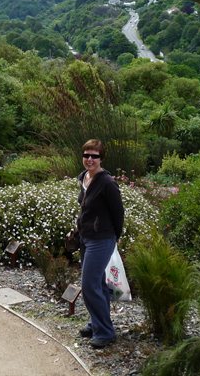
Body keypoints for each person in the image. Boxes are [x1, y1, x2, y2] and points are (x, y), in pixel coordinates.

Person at [75, 138, 124, 349]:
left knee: (89, 285)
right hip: (86, 237)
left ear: (101, 158)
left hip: (101, 239)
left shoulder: (107, 183)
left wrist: (114, 238)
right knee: (99, 285)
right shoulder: (84, 177)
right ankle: (96, 323)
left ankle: (105, 332)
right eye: (86, 155)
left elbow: (118, 213)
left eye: (94, 156)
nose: (89, 159)